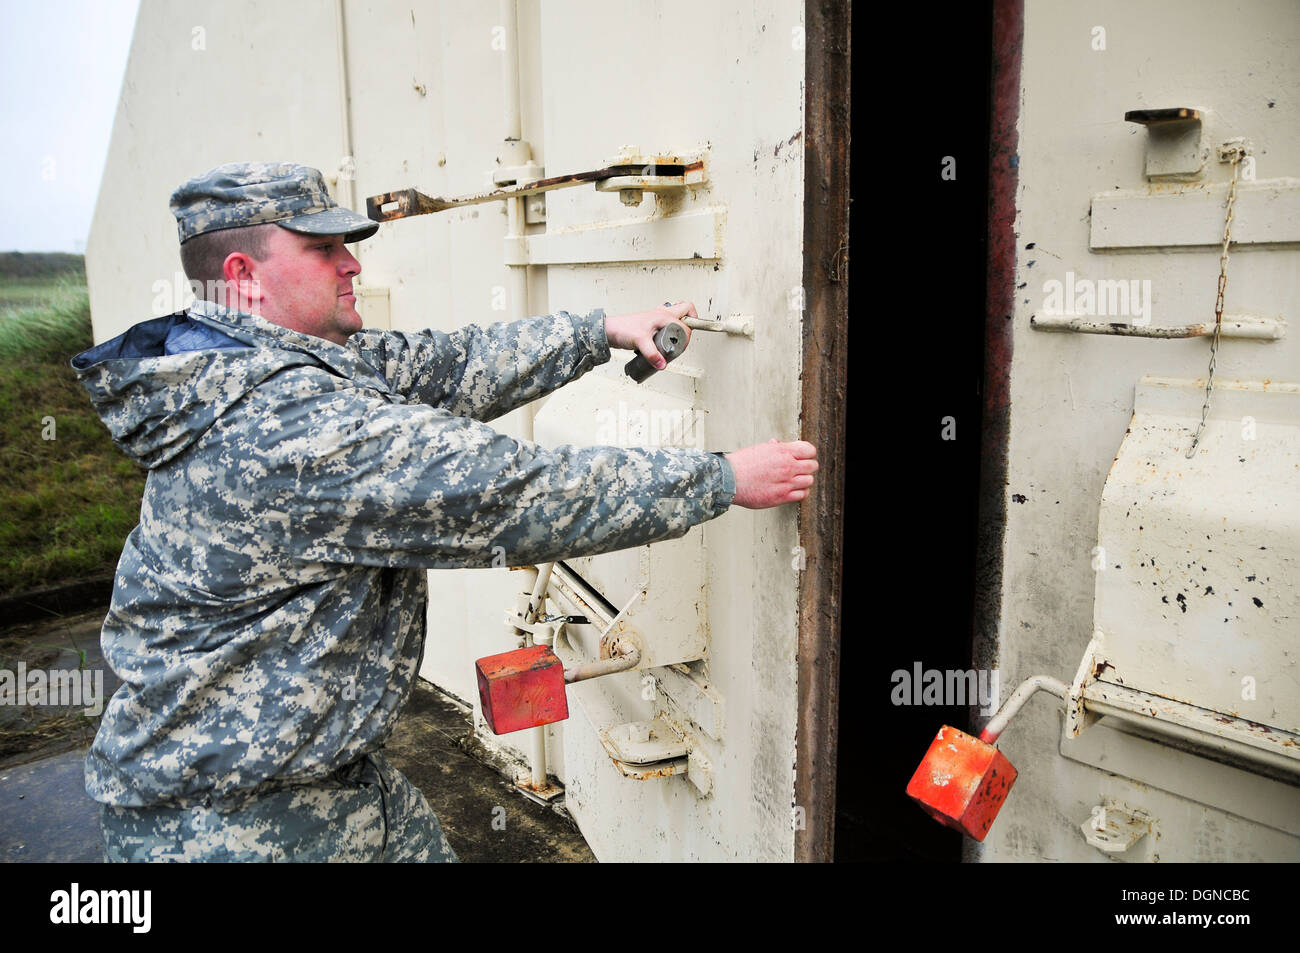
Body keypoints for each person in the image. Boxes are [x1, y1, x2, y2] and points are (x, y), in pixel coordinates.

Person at [72, 161, 818, 862]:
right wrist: (722, 478)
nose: (352, 264)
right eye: (323, 248)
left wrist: (600, 331)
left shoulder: (262, 359)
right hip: (229, 820)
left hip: (316, 778)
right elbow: (515, 496)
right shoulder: (281, 423)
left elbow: (448, 364)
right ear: (242, 276)